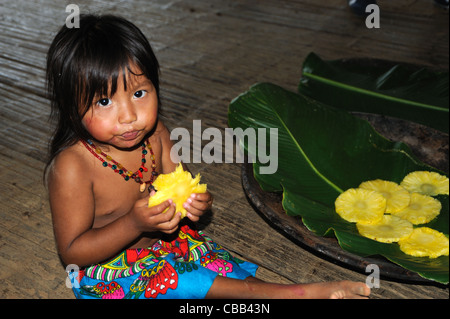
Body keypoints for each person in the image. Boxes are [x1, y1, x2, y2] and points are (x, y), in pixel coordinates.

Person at [45, 14, 371, 299]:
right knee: (182, 280)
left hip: (166, 244)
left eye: (139, 93)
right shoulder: (72, 167)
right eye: (104, 102)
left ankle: (263, 292)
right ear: (71, 106)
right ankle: (296, 294)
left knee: (218, 264)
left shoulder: (156, 133)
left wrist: (198, 203)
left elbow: (184, 185)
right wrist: (132, 223)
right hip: (108, 274)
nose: (129, 115)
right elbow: (73, 252)